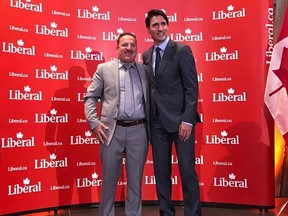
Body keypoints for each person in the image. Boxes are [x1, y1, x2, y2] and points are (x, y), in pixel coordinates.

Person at [143, 9, 201, 216]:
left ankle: (193, 213)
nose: (160, 28)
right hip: (157, 122)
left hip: (181, 122)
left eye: (163, 24)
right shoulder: (147, 55)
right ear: (148, 29)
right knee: (161, 171)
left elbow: (192, 88)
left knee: (186, 170)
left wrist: (188, 120)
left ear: (168, 26)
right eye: (155, 25)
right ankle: (166, 212)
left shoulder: (182, 50)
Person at [84, 32, 149, 216]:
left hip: (139, 131)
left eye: (132, 45)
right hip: (111, 131)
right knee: (109, 180)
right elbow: (90, 97)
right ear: (117, 48)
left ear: (136, 48)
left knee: (135, 181)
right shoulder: (104, 69)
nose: (129, 48)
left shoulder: (144, 70)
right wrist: (94, 123)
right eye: (125, 45)